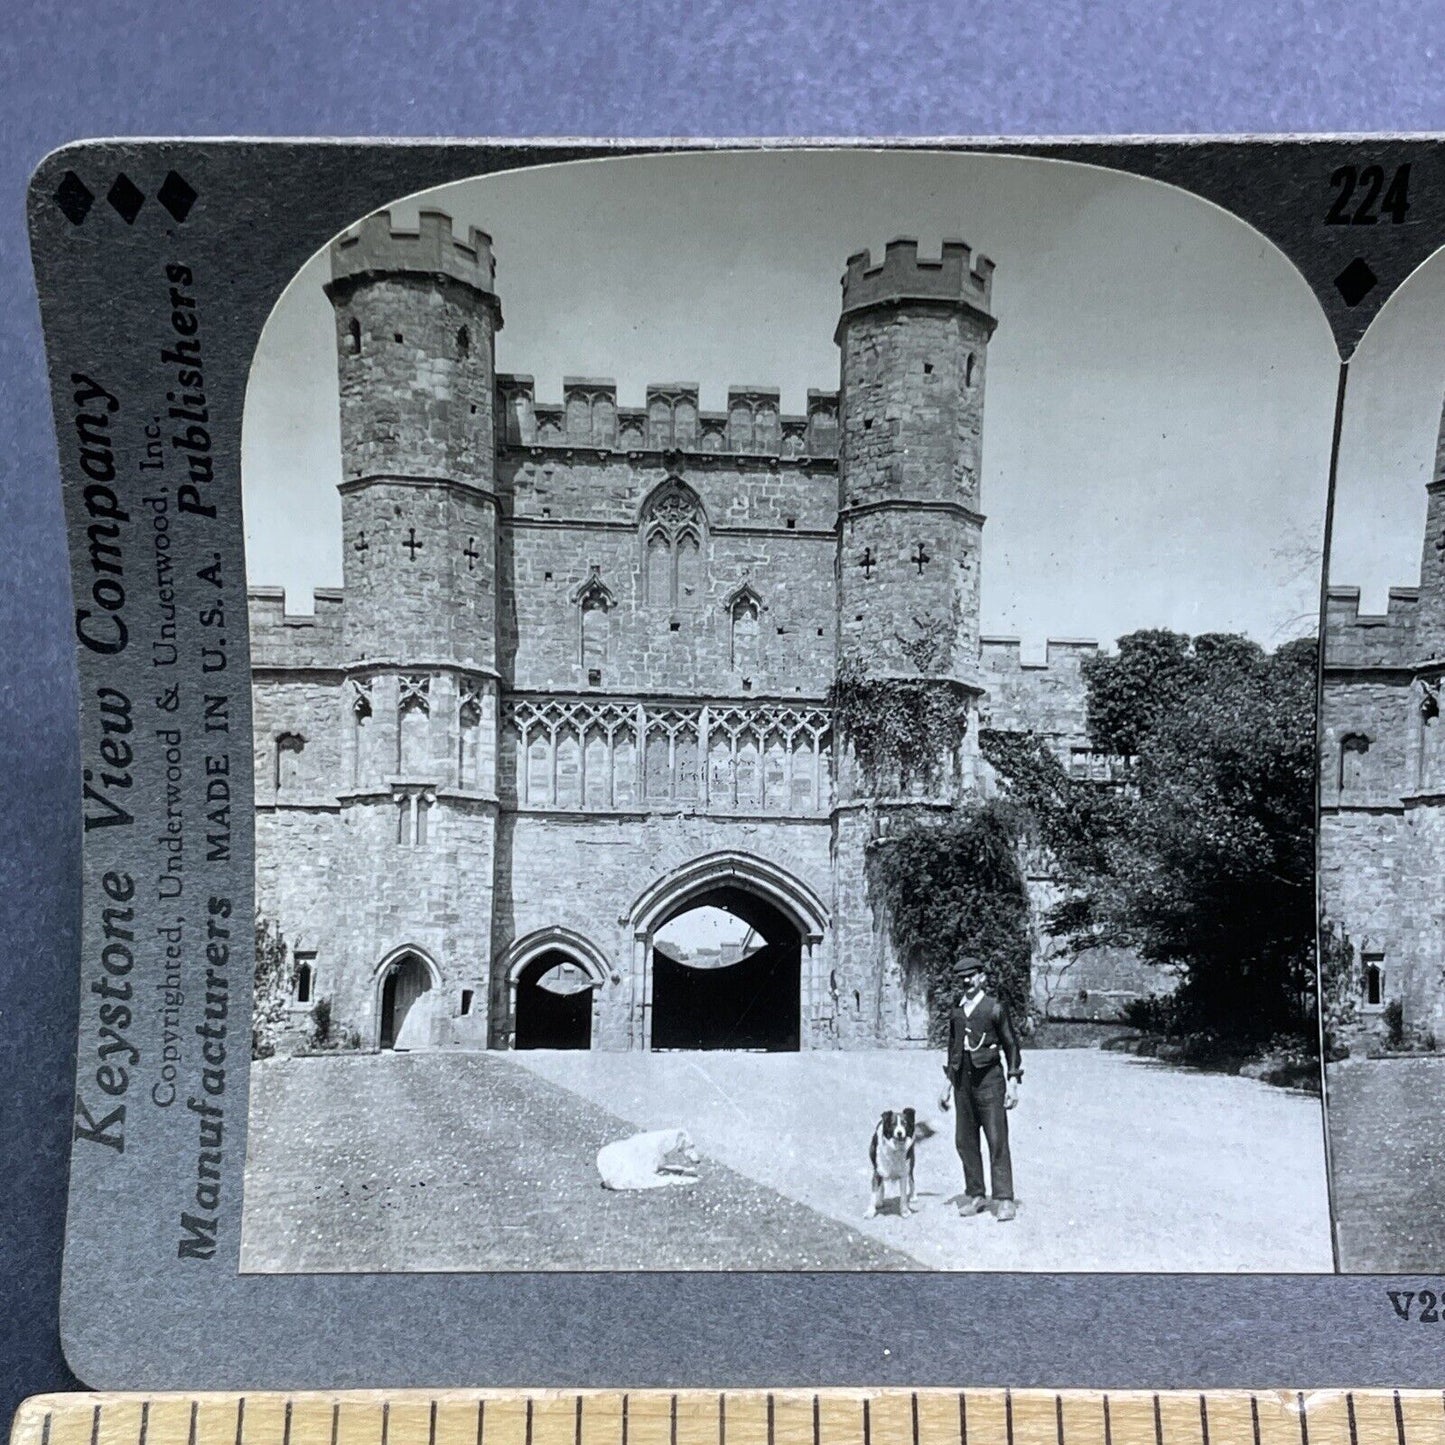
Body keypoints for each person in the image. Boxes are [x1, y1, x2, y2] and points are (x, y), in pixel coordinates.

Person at [937, 955, 1023, 1221]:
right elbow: (954, 1048)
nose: (967, 981)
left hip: (990, 1081)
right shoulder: (957, 1010)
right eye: (963, 977)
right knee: (964, 1141)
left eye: (972, 975)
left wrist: (1012, 1082)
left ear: (982, 977)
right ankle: (976, 1194)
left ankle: (1005, 1199)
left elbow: (1011, 1045)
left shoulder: (995, 1008)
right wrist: (948, 1084)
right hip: (963, 1082)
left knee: (997, 1139)